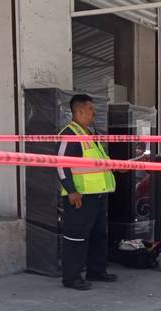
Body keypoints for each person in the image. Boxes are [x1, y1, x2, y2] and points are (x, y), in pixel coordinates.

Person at [57, 94, 118, 290]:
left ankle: (96, 271)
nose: (94, 113)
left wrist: (118, 166)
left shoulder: (90, 134)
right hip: (80, 197)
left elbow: (100, 162)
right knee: (76, 237)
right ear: (80, 111)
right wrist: (71, 191)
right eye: (91, 109)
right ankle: (72, 278)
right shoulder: (70, 134)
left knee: (98, 235)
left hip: (98, 196)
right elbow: (60, 165)